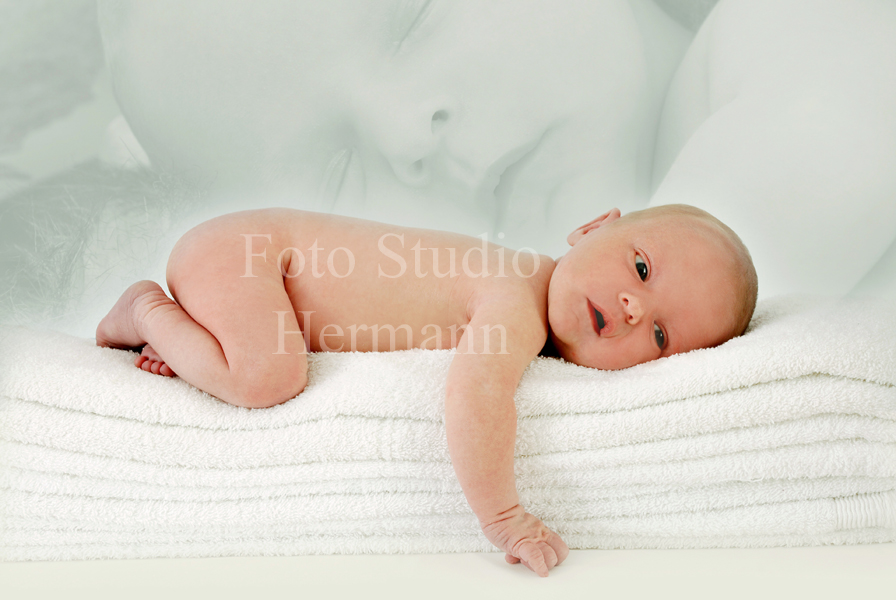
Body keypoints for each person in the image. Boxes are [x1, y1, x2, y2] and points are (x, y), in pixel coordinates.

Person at [95, 203, 758, 576]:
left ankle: (194, 338)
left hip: (251, 266)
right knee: (269, 376)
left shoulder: (528, 294)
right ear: (592, 227)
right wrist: (505, 516)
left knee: (264, 356)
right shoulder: (514, 296)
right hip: (250, 256)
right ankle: (147, 311)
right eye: (640, 267)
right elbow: (477, 396)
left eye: (662, 335)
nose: (634, 307)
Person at [96, 0, 896, 299]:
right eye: (334, 176)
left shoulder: (782, 28)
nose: (406, 132)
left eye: (414, 19)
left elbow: (830, 156)